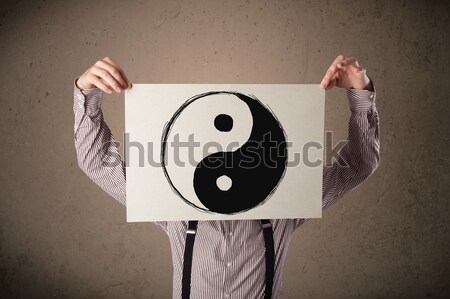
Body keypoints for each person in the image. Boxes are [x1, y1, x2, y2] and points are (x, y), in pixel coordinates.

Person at [73, 54, 380, 299]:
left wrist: (360, 93)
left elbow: (358, 164)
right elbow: (98, 163)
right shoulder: (171, 204)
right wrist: (88, 93)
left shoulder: (287, 202)